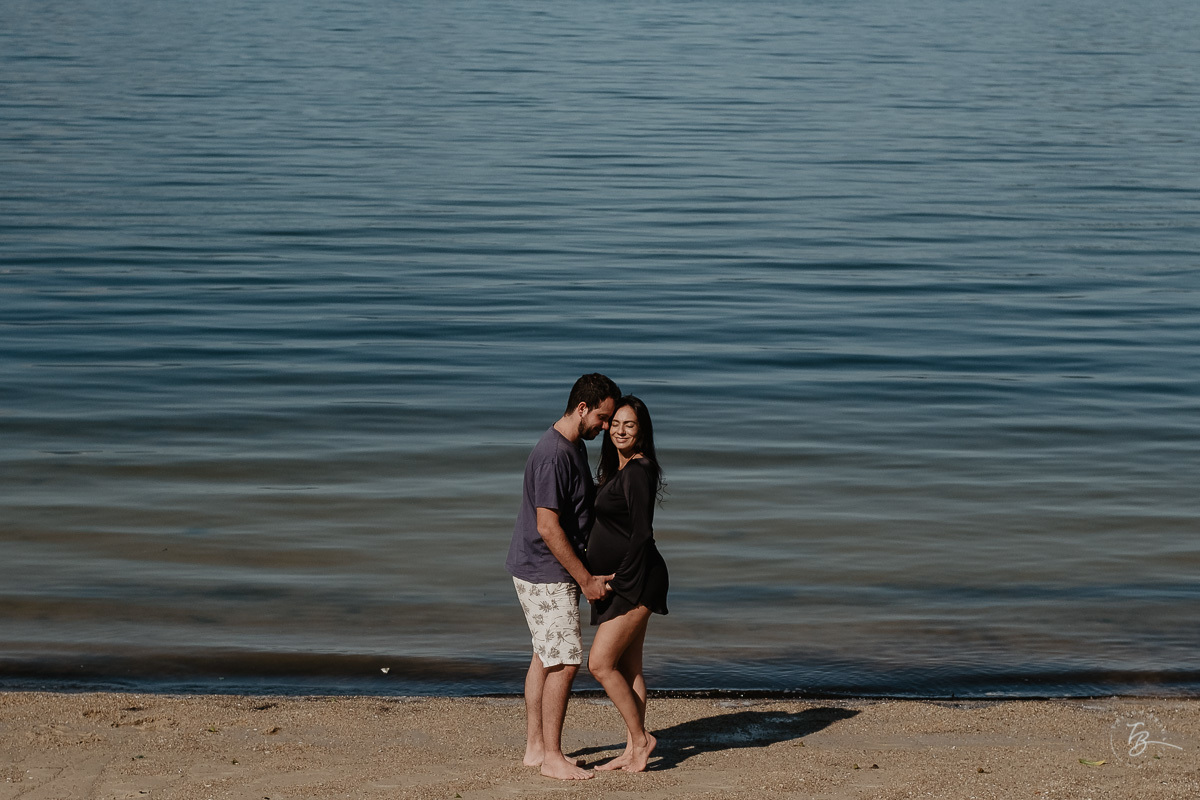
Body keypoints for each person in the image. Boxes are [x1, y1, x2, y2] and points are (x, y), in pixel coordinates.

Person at [505, 373, 621, 781]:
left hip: (538, 567)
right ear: (582, 408)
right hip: (545, 572)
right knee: (566, 662)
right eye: (602, 418)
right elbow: (548, 526)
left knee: (545, 655)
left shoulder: (571, 446)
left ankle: (536, 748)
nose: (605, 427)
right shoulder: (554, 454)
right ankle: (552, 757)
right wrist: (586, 579)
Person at [585, 395, 669, 772]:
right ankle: (634, 749)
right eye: (615, 424)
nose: (620, 431)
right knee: (630, 667)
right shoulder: (620, 469)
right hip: (635, 578)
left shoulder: (637, 469)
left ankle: (641, 739)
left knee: (601, 664)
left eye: (629, 425)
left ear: (641, 430)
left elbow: (641, 534)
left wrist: (620, 581)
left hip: (637, 581)